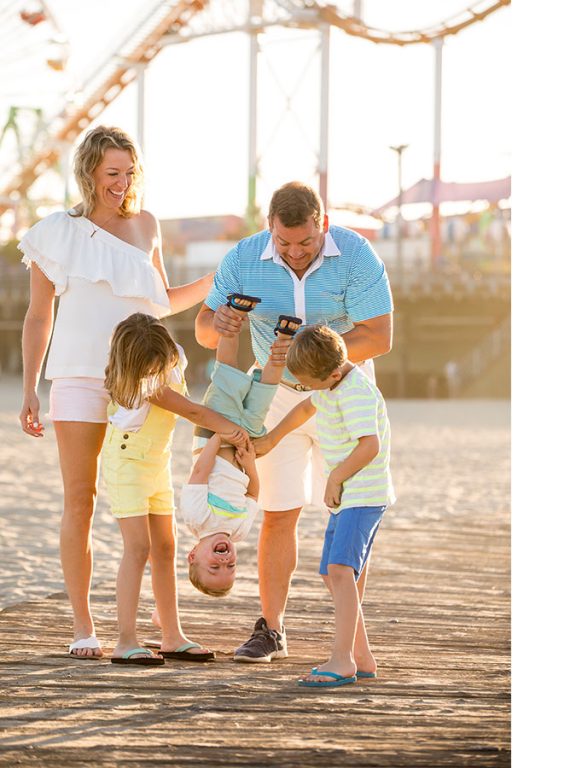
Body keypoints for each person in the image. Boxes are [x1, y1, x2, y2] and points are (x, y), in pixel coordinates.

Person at [18, 125, 213, 658]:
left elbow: (162, 300)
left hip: (144, 378)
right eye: (112, 173)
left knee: (157, 509)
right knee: (81, 499)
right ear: (88, 172)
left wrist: (218, 282)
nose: (122, 183)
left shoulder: (146, 225)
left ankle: (169, 631)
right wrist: (30, 385)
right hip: (78, 375)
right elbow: (39, 315)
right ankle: (85, 627)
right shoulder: (56, 232)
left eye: (129, 172)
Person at [194, 181, 393, 663]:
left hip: (341, 391)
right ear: (270, 229)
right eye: (284, 243)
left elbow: (380, 336)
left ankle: (347, 640)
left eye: (306, 242)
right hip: (274, 396)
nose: (296, 253)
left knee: (348, 513)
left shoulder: (357, 254)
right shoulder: (243, 258)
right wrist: (217, 324)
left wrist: (311, 366)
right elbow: (202, 329)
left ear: (322, 224)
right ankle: (272, 629)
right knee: (279, 511)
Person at [101, 313, 251, 664]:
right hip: (127, 464)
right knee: (138, 549)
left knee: (165, 548)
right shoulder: (144, 384)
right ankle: (126, 640)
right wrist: (231, 431)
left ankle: (172, 635)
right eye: (151, 366)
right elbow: (194, 412)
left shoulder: (174, 358)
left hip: (157, 464)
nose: (159, 368)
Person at [255, 325, 394, 686]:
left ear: (333, 373)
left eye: (311, 382)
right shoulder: (330, 385)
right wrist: (271, 439)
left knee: (341, 570)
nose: (308, 389)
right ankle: (362, 656)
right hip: (347, 496)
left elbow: (370, 445)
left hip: (362, 495)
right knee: (331, 573)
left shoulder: (356, 391)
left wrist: (334, 479)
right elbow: (305, 409)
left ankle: (343, 658)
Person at [180, 307, 293, 597]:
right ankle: (284, 337)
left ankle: (234, 315)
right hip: (245, 446)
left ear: (193, 554)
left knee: (227, 375)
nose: (224, 562)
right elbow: (253, 493)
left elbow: (200, 472)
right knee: (266, 390)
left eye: (214, 567)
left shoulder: (197, 518)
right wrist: (250, 463)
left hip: (214, 437)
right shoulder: (240, 531)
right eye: (230, 568)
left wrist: (220, 434)